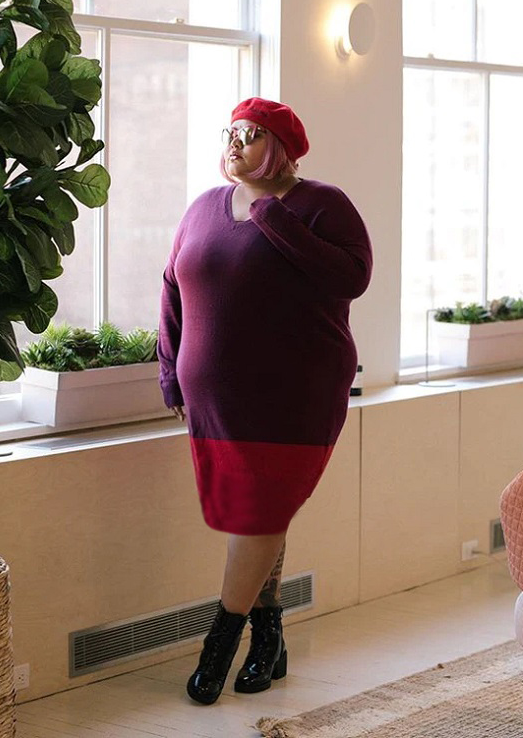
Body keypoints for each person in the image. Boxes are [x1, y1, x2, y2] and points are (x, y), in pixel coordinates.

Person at [157, 97, 373, 705]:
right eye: (229, 132)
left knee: (256, 517)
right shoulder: (203, 207)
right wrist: (170, 374)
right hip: (212, 400)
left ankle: (218, 647)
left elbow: (351, 277)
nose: (233, 143)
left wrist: (272, 217)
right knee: (258, 518)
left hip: (293, 397)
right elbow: (172, 289)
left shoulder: (322, 204)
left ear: (278, 148)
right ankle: (270, 639)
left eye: (249, 135)